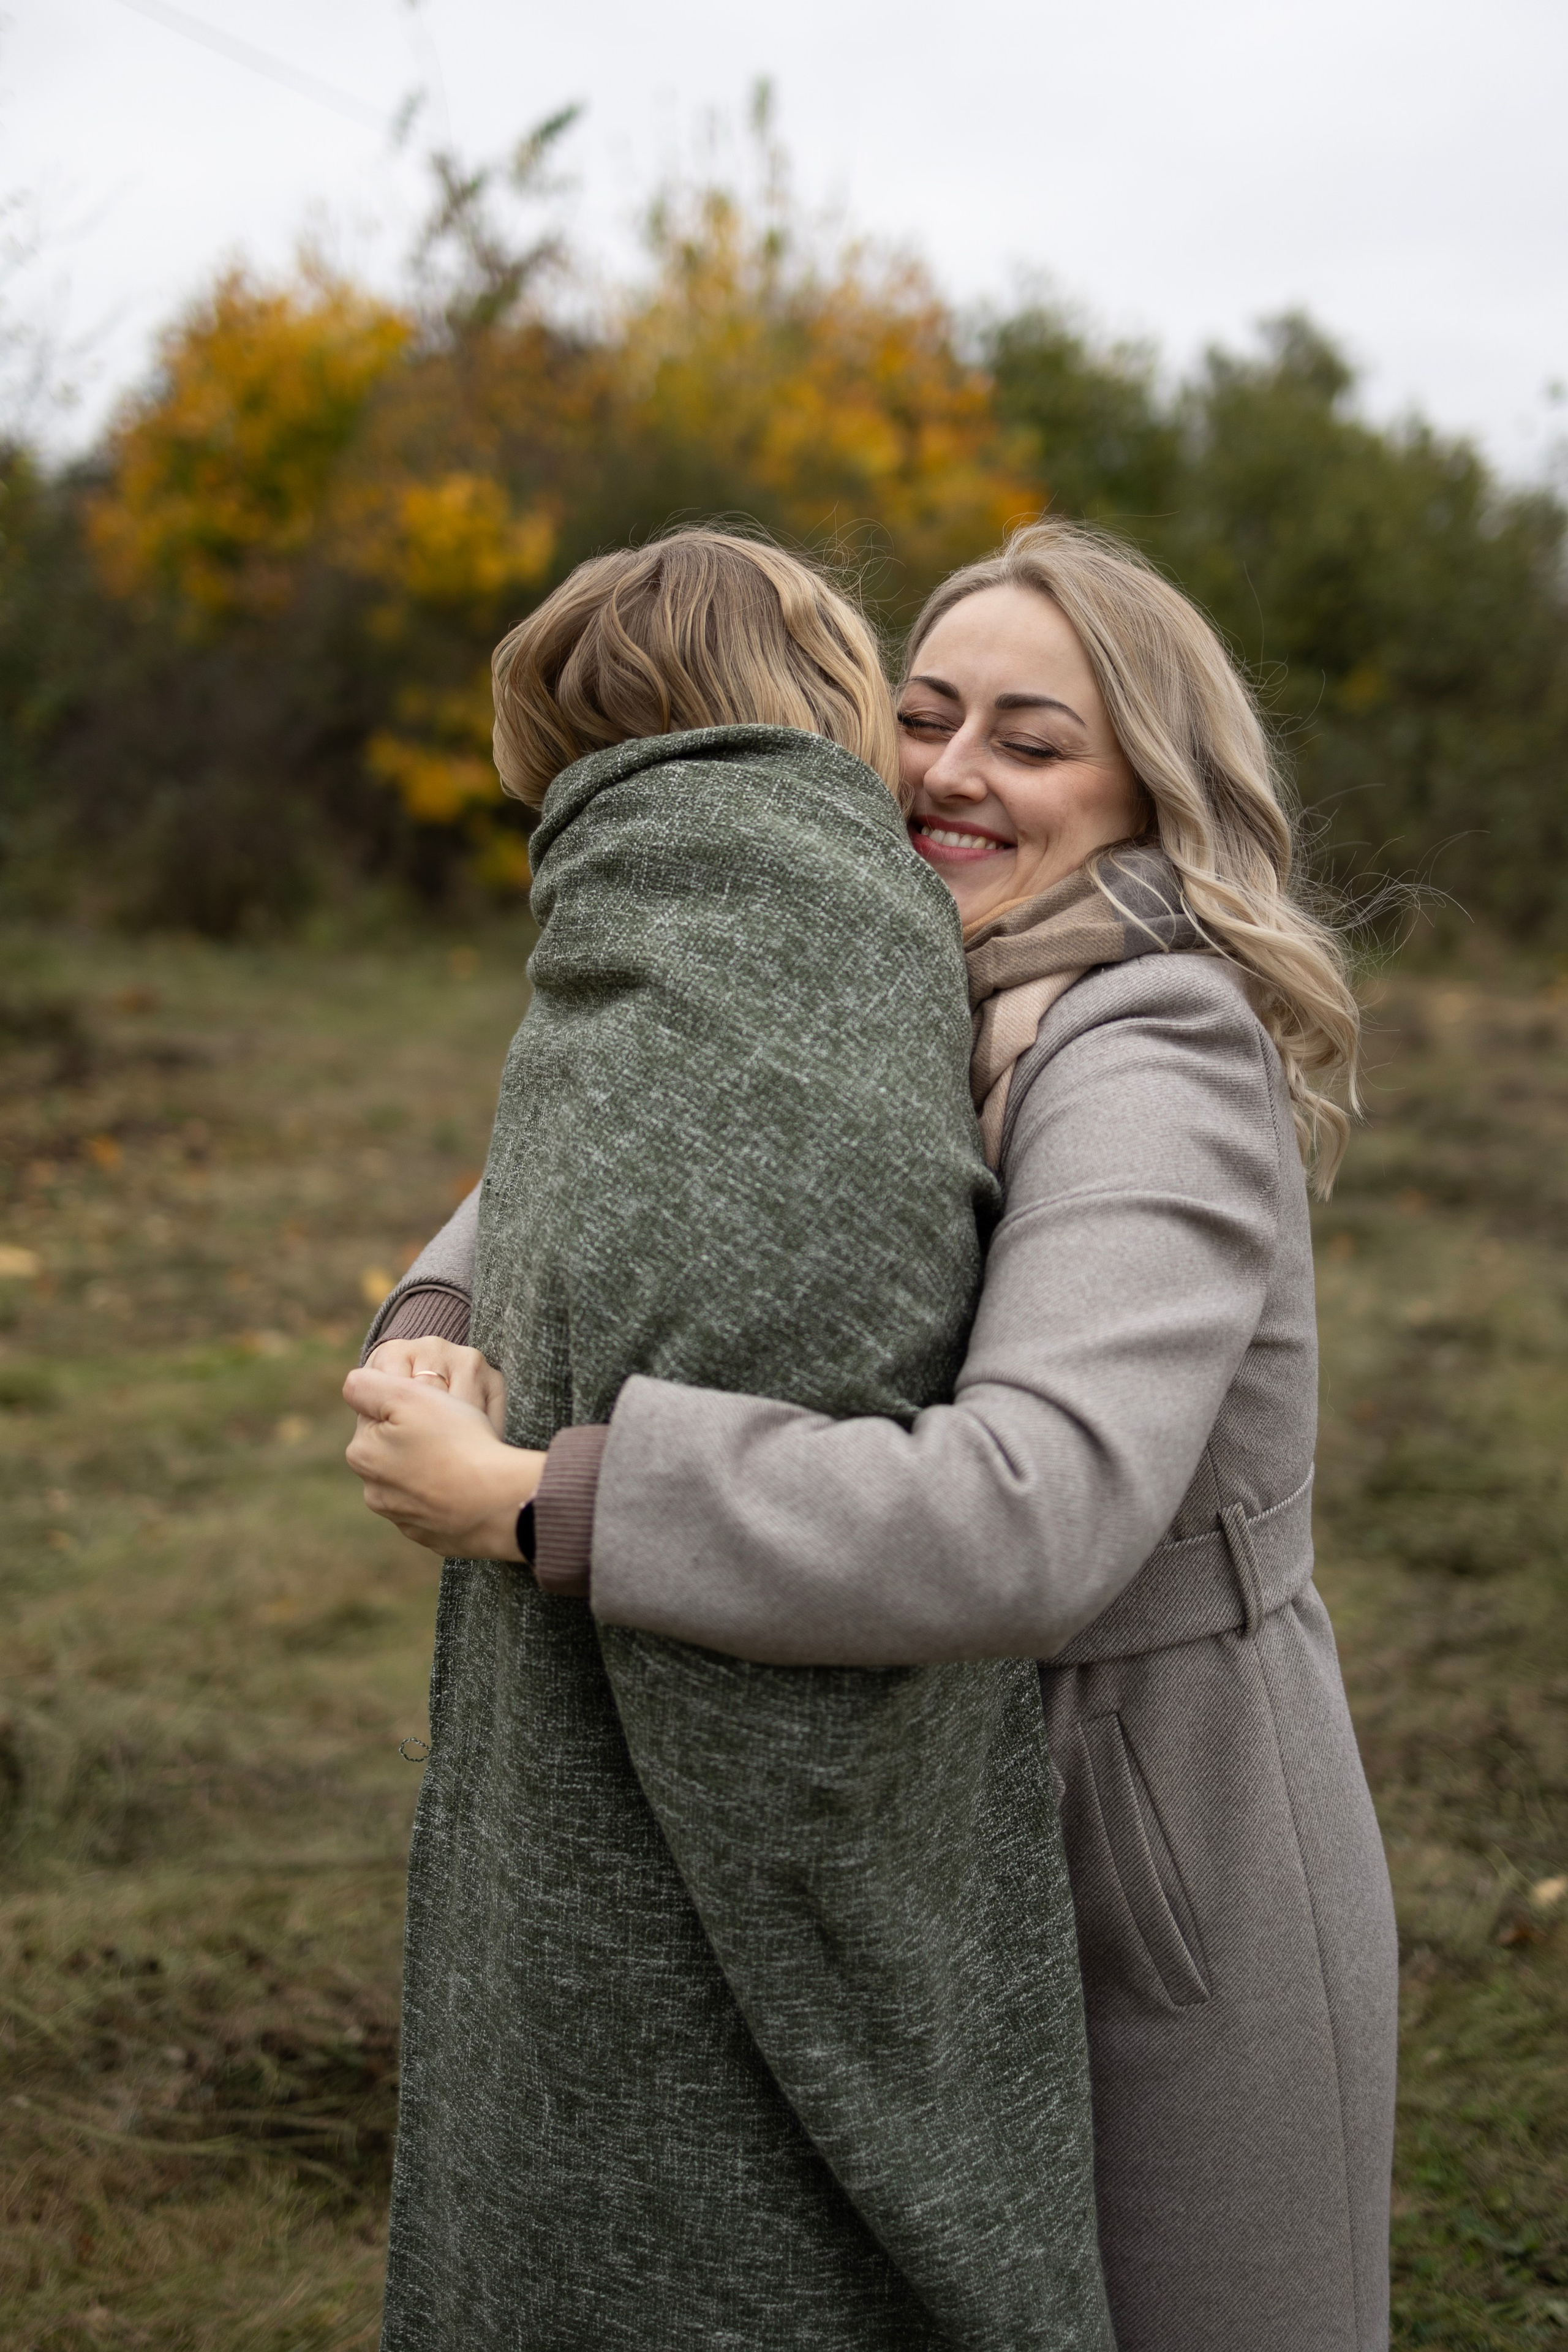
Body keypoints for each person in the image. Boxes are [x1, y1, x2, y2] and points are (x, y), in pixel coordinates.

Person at [353, 518, 1400, 2352]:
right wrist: (443, 1328)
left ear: (1151, 790)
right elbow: (562, 1155)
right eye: (920, 716)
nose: (949, 773)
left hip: (1134, 1810)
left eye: (1031, 738)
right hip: (910, 1778)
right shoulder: (895, 971)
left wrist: (548, 1502)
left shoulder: (1151, 1044)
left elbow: (1035, 1509)